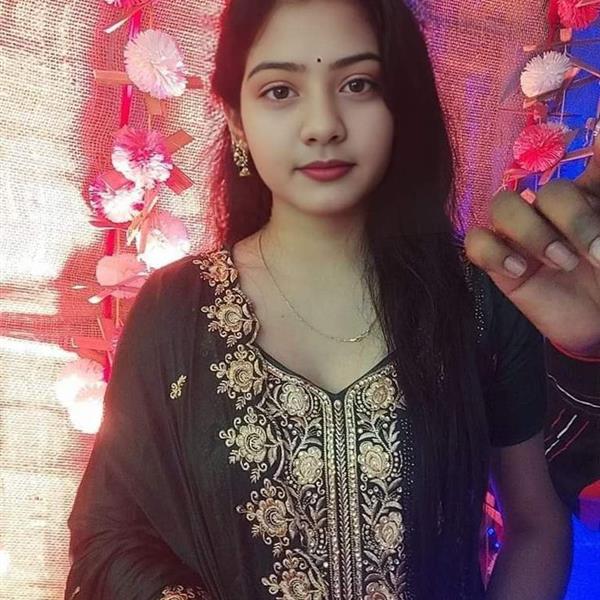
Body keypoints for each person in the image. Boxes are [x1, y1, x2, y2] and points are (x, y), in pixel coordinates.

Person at [64, 1, 600, 599]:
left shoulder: (477, 297)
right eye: (279, 90)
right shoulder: (174, 311)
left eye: (357, 83)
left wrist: (587, 352)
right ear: (236, 120)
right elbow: (109, 535)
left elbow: (536, 524)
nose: (322, 125)